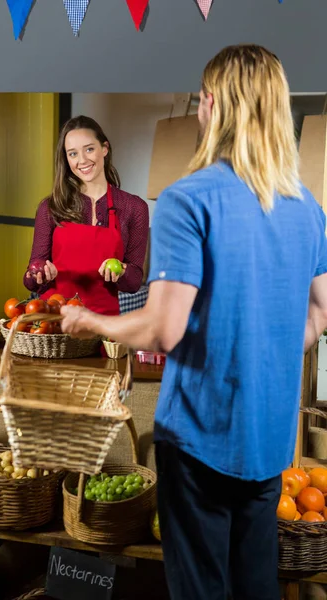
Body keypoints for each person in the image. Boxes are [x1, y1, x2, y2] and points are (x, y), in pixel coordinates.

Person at [60, 45, 327, 599]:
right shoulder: (307, 206)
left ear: (211, 105)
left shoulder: (188, 199)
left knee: (200, 590)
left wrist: (92, 321)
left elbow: (163, 328)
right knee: (255, 584)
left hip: (200, 438)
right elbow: (319, 315)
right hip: (269, 438)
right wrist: (266, 344)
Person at [24, 115, 149, 316]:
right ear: (66, 158)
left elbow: (134, 282)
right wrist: (39, 274)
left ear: (105, 149)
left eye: (89, 149)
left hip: (103, 325)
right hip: (54, 324)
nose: (82, 160)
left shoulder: (134, 207)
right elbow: (30, 280)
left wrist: (123, 271)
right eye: (73, 154)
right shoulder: (50, 207)